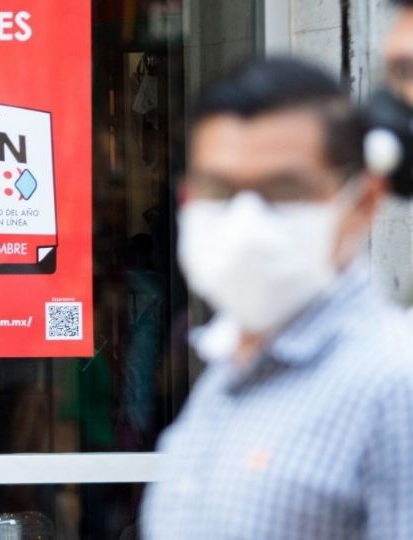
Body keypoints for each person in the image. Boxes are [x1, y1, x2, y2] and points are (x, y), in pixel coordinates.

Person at [140, 58, 413, 539]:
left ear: (364, 203)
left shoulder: (394, 387)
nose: (247, 225)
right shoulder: (223, 372)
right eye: (220, 191)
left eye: (283, 191)